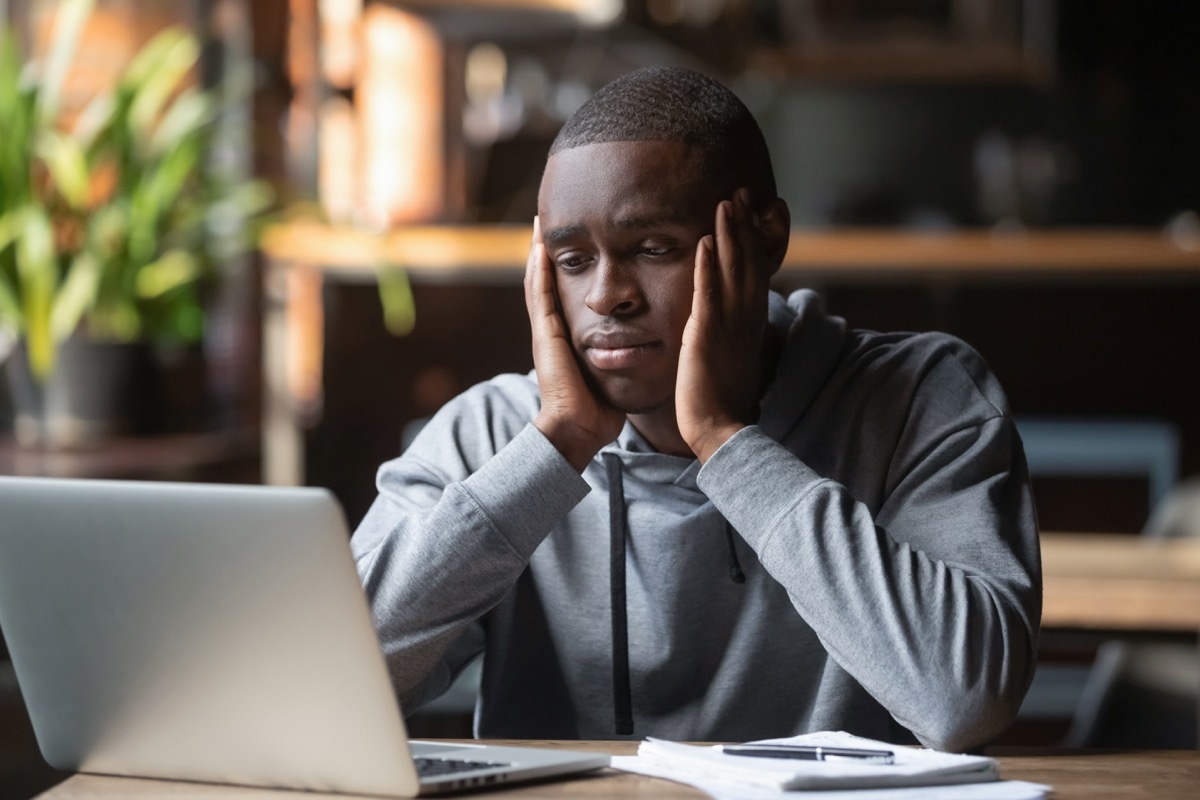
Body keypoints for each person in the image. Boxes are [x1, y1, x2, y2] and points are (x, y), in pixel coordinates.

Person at [351, 66, 1041, 753]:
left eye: (653, 249)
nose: (605, 296)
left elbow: (966, 702)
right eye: (571, 260)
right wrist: (555, 446)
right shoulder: (493, 433)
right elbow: (339, 679)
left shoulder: (920, 395)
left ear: (766, 240)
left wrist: (726, 441)